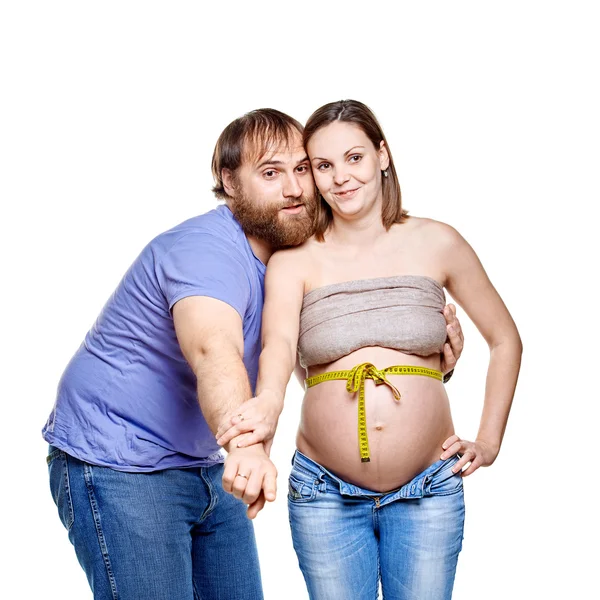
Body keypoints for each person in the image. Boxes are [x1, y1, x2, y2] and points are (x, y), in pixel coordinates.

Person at [43, 107, 464, 600]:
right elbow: (213, 349)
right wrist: (245, 445)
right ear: (229, 180)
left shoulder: (294, 261)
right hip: (119, 462)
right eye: (270, 173)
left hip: (203, 459)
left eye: (302, 169)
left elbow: (312, 366)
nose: (293, 189)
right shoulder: (205, 250)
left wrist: (421, 374)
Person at [216, 100, 522, 600]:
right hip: (324, 494)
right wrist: (269, 403)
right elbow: (280, 347)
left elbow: (505, 339)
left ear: (382, 155)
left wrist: (488, 442)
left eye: (353, 158)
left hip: (429, 488)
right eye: (323, 166)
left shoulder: (438, 242)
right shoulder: (294, 262)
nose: (340, 178)